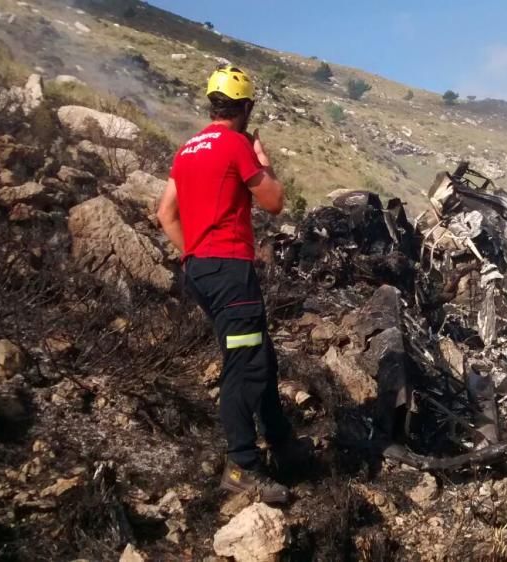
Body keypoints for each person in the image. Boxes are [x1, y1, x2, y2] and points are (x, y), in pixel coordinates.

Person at [157, 65, 296, 504]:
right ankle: (241, 466)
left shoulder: (186, 150)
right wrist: (265, 163)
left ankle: (282, 443)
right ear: (246, 107)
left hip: (200, 271)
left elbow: (165, 215)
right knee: (246, 367)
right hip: (230, 271)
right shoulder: (236, 145)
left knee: (260, 356)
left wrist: (193, 255)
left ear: (212, 104)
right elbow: (274, 203)